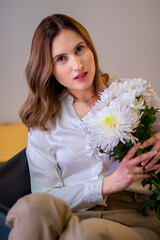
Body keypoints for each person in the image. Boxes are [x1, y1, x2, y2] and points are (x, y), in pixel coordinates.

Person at [5, 14, 160, 240]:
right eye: (61, 58)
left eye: (79, 49)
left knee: (85, 235)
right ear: (48, 68)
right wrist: (106, 184)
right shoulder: (43, 121)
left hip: (134, 214)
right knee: (31, 208)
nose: (77, 65)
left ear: (90, 48)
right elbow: (46, 197)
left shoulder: (134, 94)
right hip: (68, 216)